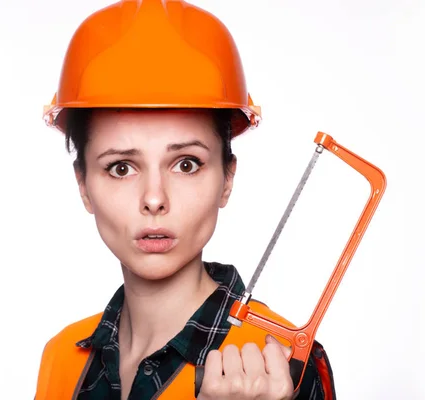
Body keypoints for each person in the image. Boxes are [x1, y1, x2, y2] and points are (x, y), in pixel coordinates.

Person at [34, 0, 336, 399]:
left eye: (187, 164)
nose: (154, 199)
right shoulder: (62, 358)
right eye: (121, 168)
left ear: (227, 178)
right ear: (84, 185)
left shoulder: (282, 367)